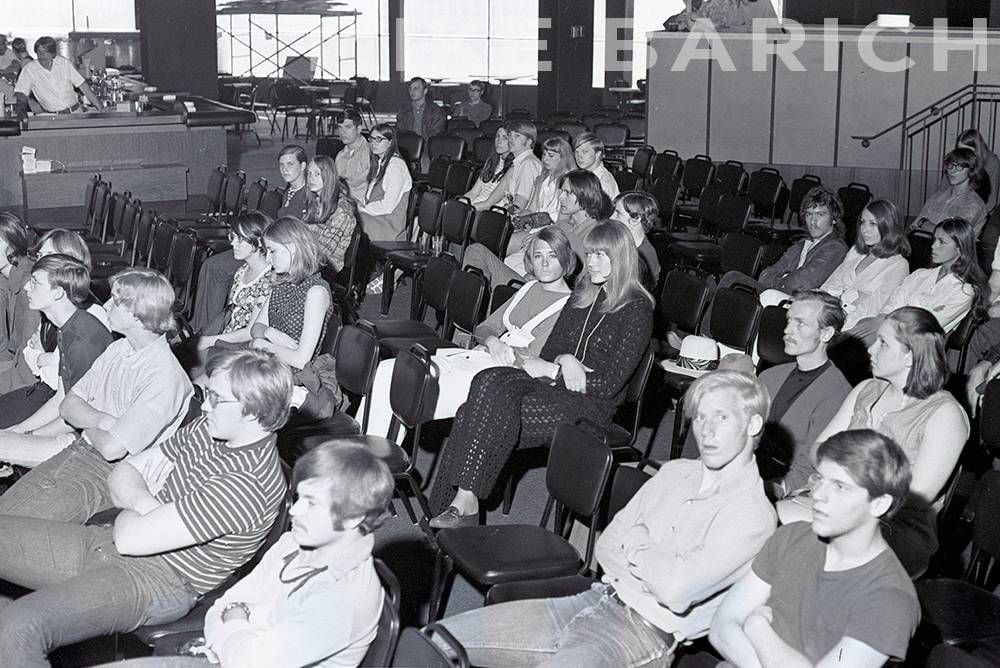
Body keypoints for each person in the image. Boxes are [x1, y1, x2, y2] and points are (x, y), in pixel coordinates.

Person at [438, 370, 777, 666]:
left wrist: (639, 539)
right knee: (436, 643)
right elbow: (607, 547)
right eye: (701, 417)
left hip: (639, 634)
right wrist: (658, 560)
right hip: (591, 599)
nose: (706, 431)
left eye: (721, 417)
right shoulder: (675, 473)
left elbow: (674, 590)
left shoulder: (753, 515)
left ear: (753, 423)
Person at [0, 348, 290, 666]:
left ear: (252, 410)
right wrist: (147, 504)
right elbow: (123, 473)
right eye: (207, 392)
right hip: (108, 540)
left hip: (157, 580)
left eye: (216, 398)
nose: (204, 405)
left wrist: (136, 501)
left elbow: (131, 538)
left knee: (18, 628)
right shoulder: (212, 432)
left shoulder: (247, 483)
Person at [428, 222, 654, 527]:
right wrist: (566, 361)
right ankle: (463, 503)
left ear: (623, 258)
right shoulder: (582, 295)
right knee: (487, 380)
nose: (593, 263)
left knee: (473, 413)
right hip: (552, 382)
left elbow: (609, 385)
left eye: (603, 256)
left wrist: (554, 370)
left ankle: (453, 506)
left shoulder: (637, 310)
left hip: (590, 406)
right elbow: (552, 351)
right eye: (590, 255)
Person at [779, 307, 968, 576]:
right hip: (837, 500)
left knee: (784, 531)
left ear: (910, 356)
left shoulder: (944, 414)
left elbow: (914, 497)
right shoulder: (866, 390)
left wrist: (843, 473)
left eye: (883, 343)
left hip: (894, 528)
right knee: (764, 520)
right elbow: (818, 450)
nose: (870, 350)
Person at [710, 429, 920, 667]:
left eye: (840, 486)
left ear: (879, 504)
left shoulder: (891, 598)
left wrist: (757, 629)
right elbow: (721, 627)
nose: (818, 494)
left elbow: (739, 625)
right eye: (819, 478)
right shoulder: (792, 536)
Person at [0, 268, 193, 523]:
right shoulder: (119, 348)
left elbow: (112, 450)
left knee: (8, 525)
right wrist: (104, 422)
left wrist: (88, 424)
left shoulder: (165, 377)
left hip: (105, 473)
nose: (108, 304)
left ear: (138, 314)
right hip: (78, 446)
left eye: (116, 300)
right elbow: (68, 406)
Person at [364, 226, 575, 438]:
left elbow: (532, 358)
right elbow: (485, 327)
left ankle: (373, 461)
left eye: (553, 255)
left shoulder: (569, 307)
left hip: (504, 377)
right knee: (388, 369)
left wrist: (499, 347)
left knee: (409, 383)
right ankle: (360, 451)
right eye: (538, 256)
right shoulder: (529, 288)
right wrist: (493, 341)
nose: (545, 263)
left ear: (566, 259)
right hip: (483, 355)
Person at [190, 145, 309, 332]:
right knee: (209, 265)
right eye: (281, 164)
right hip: (267, 242)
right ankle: (200, 327)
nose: (285, 169)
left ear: (303, 166)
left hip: (272, 249)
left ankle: (208, 330)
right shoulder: (290, 191)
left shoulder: (306, 197)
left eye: (290, 164)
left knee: (217, 270)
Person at [0, 254, 111, 434]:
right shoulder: (66, 327)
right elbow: (62, 397)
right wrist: (18, 431)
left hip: (87, 433)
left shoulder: (82, 340)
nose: (27, 287)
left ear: (58, 292)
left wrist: (25, 435)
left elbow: (75, 416)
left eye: (35, 282)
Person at [756, 291, 851, 496]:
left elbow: (810, 468)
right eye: (789, 321)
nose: (787, 331)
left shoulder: (838, 394)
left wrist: (771, 489)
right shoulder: (769, 376)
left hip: (779, 486)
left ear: (825, 334)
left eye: (800, 324)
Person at [846, 217, 987, 343]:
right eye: (934, 240)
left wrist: (892, 319)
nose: (933, 246)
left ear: (959, 249)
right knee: (866, 324)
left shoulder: (963, 291)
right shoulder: (920, 275)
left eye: (941, 242)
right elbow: (893, 303)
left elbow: (927, 325)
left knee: (864, 332)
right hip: (889, 330)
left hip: (918, 346)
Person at [465, 169, 611, 288]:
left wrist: (535, 276)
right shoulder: (565, 225)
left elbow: (577, 280)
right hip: (529, 280)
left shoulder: (594, 234)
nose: (560, 198)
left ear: (585, 195)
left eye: (567, 193)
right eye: (561, 192)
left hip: (540, 290)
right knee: (475, 251)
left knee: (476, 252)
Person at [818, 199, 911, 330]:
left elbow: (874, 310)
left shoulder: (898, 265)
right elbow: (829, 285)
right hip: (827, 315)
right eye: (863, 222)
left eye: (873, 224)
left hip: (853, 328)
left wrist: (835, 314)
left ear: (888, 227)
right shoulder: (856, 252)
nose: (865, 230)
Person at [195, 212, 273, 355]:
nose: (232, 243)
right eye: (232, 237)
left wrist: (210, 341)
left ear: (259, 242)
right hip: (227, 338)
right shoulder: (242, 270)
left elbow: (251, 332)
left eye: (240, 239)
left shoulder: (267, 281)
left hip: (244, 348)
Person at [757, 186, 848, 296]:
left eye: (820, 214)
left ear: (834, 219)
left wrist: (780, 279)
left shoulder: (835, 248)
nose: (813, 221)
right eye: (809, 214)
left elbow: (800, 285)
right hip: (778, 295)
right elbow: (765, 275)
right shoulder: (802, 244)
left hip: (802, 304)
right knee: (734, 277)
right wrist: (783, 281)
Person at [14, 36, 102, 113]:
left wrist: (100, 108)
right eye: (39, 53)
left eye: (45, 53)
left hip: (75, 112)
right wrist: (22, 109)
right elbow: (21, 92)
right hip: (52, 117)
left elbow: (83, 86)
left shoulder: (63, 63)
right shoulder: (29, 70)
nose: (41, 56)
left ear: (53, 54)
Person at [911, 147, 988, 235]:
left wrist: (924, 223)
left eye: (959, 166)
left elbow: (952, 236)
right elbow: (915, 225)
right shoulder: (937, 197)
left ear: (972, 170)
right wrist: (925, 225)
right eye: (950, 165)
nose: (952, 170)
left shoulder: (974, 204)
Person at [358, 123, 413, 243]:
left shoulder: (396, 167)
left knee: (350, 221)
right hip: (376, 220)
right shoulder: (380, 163)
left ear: (390, 142)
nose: (373, 143)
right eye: (371, 139)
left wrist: (361, 208)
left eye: (379, 139)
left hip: (389, 227)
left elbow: (387, 207)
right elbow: (369, 198)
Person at [0, 213, 38, 386]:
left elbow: (29, 356)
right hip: (10, 360)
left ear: (12, 245)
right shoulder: (7, 277)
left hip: (25, 376)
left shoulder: (29, 287)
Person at [304, 155, 358, 273]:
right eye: (309, 173)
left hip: (329, 267)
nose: (311, 178)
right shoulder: (315, 201)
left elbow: (324, 251)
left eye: (317, 174)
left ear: (328, 176)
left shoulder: (342, 211)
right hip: (311, 258)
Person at [516, 135, 576, 230]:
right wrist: (517, 215)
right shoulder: (542, 178)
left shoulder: (568, 181)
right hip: (536, 223)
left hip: (553, 229)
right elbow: (532, 209)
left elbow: (562, 221)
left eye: (551, 155)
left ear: (563, 157)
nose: (545, 159)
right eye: (544, 154)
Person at [610, 191, 662, 285]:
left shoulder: (644, 256)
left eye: (617, 213)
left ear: (636, 219)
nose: (611, 217)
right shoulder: (622, 243)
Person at [463, 125, 514, 209]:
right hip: (475, 205)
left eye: (505, 138)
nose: (499, 141)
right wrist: (460, 204)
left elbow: (491, 204)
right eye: (497, 136)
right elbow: (474, 192)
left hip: (489, 212)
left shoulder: (513, 168)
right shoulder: (492, 161)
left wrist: (467, 210)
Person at [957, 128, 1000, 212]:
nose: (963, 154)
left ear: (977, 149)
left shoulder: (992, 162)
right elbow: (943, 189)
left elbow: (992, 200)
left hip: (983, 210)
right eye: (960, 149)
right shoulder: (956, 158)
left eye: (967, 150)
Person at [334, 108, 372, 203]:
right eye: (340, 127)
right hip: (342, 204)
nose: (342, 132)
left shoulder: (370, 153)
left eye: (347, 127)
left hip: (363, 209)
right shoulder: (340, 155)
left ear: (359, 129)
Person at [395, 76, 445, 140]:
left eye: (416, 88)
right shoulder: (403, 110)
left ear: (425, 91)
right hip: (407, 147)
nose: (412, 91)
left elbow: (436, 136)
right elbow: (400, 133)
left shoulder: (436, 112)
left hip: (428, 148)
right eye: (410, 88)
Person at [573, 132, 620, 200]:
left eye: (585, 152)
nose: (579, 156)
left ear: (598, 154)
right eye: (576, 152)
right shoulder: (584, 174)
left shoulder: (603, 183)